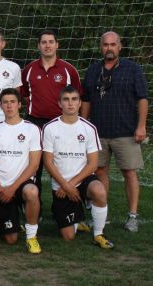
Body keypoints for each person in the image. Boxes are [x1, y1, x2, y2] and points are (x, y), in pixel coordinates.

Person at [81, 31, 149, 232]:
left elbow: (143, 98)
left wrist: (141, 125)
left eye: (113, 44)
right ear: (100, 47)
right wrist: (84, 125)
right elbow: (86, 100)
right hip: (98, 132)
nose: (109, 48)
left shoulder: (133, 69)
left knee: (129, 173)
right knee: (100, 171)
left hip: (126, 131)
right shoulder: (93, 70)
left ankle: (133, 216)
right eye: (105, 44)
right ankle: (103, 215)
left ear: (119, 47)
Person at [42, 86, 113, 249]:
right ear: (59, 103)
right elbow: (48, 162)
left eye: (74, 99)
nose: (70, 103)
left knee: (99, 190)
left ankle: (98, 235)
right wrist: (65, 185)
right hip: (60, 183)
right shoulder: (50, 128)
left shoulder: (89, 128)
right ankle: (72, 218)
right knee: (68, 237)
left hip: (83, 179)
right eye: (66, 99)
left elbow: (93, 164)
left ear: (80, 103)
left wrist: (71, 184)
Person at [21, 30, 83, 215]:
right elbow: (25, 96)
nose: (47, 45)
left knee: (67, 167)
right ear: (38, 46)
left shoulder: (68, 70)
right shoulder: (29, 69)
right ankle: (34, 211)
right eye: (43, 42)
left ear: (57, 45)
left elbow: (78, 97)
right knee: (35, 169)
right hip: (35, 125)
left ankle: (69, 212)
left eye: (51, 42)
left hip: (62, 124)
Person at [0, 88, 42, 254]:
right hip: (1, 186)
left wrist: (12, 188)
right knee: (10, 240)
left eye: (12, 102)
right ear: (0, 106)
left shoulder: (32, 129)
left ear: (19, 105)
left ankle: (31, 237)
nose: (9, 105)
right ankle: (0, 220)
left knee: (32, 191)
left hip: (21, 184)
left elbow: (34, 165)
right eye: (5, 102)